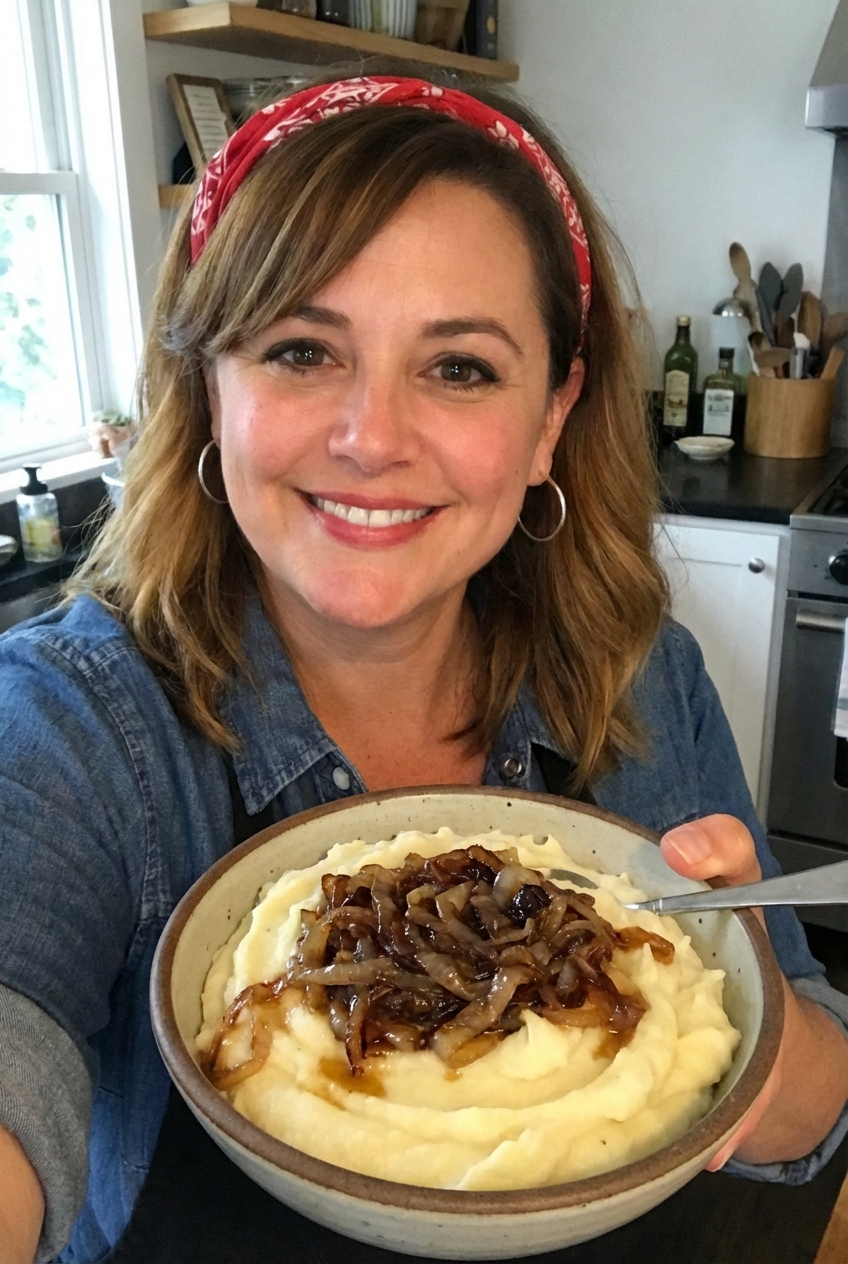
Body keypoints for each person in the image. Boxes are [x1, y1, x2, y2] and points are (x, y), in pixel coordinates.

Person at [0, 72, 845, 1264]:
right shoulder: (64, 726)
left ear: (551, 415)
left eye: (458, 368)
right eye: (300, 349)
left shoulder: (645, 673)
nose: (371, 438)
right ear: (209, 393)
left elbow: (809, 1113)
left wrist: (747, 1013)